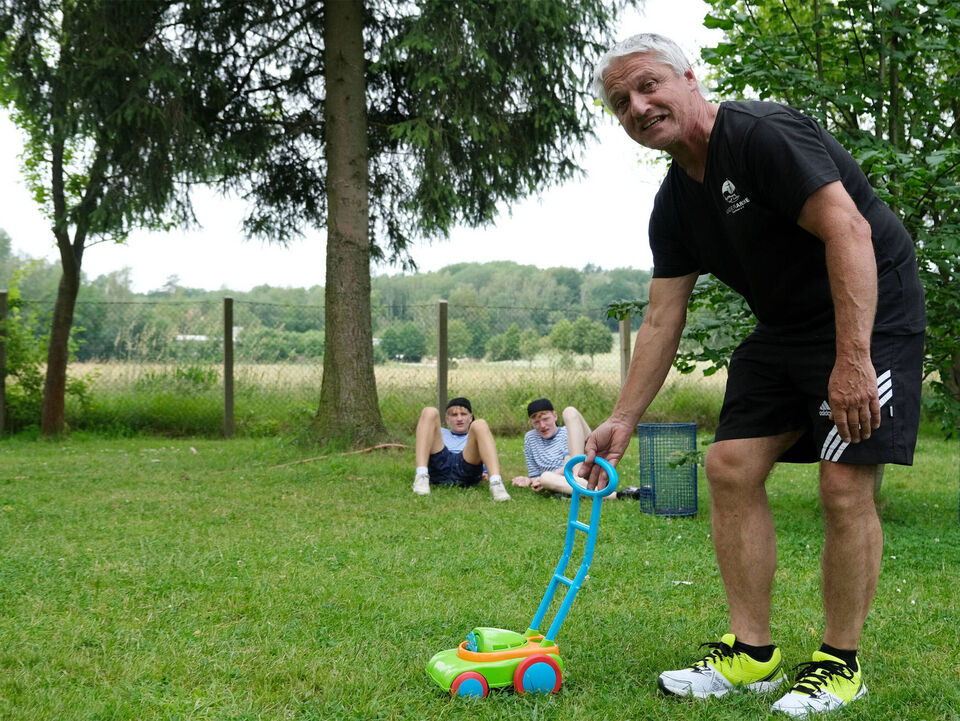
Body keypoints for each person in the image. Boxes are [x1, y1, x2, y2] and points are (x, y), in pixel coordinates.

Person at [581, 33, 926, 717]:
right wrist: (623, 418)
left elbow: (850, 232)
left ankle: (840, 664)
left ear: (689, 77)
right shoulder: (674, 203)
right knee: (730, 465)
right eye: (622, 102)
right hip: (784, 327)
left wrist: (853, 360)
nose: (638, 107)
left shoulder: (760, 134)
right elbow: (662, 318)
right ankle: (752, 653)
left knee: (843, 484)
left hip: (870, 312)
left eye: (649, 85)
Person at [412, 397, 511, 502]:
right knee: (429, 411)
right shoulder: (439, 432)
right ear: (447, 419)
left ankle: (496, 483)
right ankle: (421, 476)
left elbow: (485, 452)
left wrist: (485, 472)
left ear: (470, 417)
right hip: (439, 464)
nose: (459, 419)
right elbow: (423, 443)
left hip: (466, 467)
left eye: (463, 414)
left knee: (480, 423)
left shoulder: (475, 435)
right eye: (454, 415)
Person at [510, 398, 593, 495]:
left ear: (555, 416)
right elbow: (535, 474)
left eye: (546, 419)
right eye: (536, 422)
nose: (542, 425)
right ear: (531, 423)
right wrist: (530, 480)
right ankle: (590, 490)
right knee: (546, 478)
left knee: (569, 411)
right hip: (558, 479)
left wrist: (543, 479)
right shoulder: (530, 438)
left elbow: (568, 465)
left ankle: (577, 482)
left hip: (577, 471)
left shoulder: (567, 432)